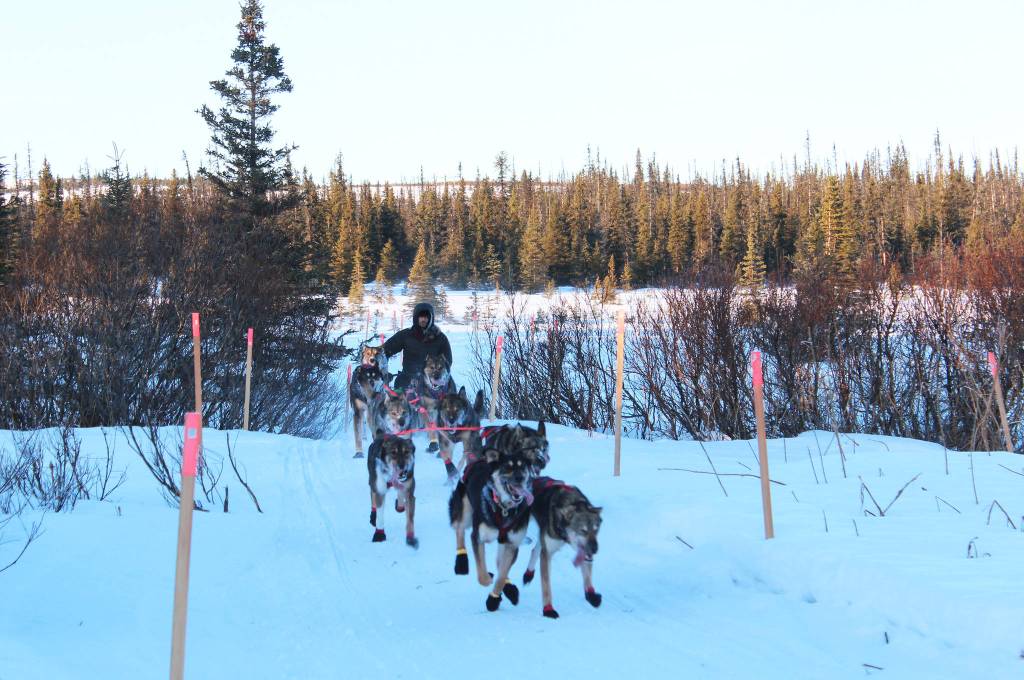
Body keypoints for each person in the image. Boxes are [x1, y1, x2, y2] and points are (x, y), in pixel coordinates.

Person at [383, 302, 453, 393]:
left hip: (432, 381)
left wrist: (438, 377)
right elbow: (385, 350)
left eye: (426, 317)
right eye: (421, 316)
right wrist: (381, 368)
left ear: (431, 318)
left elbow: (447, 362)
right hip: (407, 379)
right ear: (416, 318)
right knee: (397, 401)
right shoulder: (406, 335)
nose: (423, 319)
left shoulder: (440, 338)